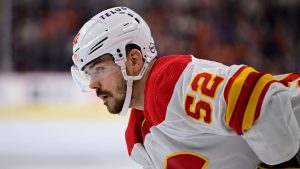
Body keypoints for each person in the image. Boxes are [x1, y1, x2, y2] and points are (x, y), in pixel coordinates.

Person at [70, 6, 300, 169]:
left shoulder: (169, 83)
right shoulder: (140, 140)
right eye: (88, 74)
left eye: (98, 69)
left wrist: (282, 164)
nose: (93, 84)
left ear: (133, 60)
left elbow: (260, 97)